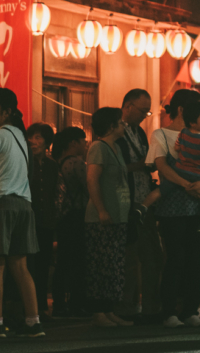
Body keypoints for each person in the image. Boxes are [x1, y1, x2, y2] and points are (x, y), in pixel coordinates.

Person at [0, 88, 44, 338]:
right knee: (20, 266)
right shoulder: (22, 138)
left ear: (7, 112)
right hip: (24, 206)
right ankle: (34, 321)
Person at [148, 88, 200, 328]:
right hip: (172, 207)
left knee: (196, 259)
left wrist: (199, 183)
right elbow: (160, 165)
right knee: (175, 259)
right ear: (182, 110)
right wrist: (186, 184)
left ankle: (191, 309)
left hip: (198, 204)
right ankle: (169, 311)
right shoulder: (161, 135)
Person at [85, 107, 133, 328]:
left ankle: (109, 309)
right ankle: (98, 311)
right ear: (112, 126)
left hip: (119, 213)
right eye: (121, 123)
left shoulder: (116, 148)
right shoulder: (98, 147)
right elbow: (92, 180)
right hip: (101, 216)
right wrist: (101, 209)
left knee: (114, 265)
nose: (124, 126)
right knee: (101, 264)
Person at [117, 89, 163, 321]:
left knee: (150, 254)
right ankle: (130, 304)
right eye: (142, 111)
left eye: (147, 111)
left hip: (145, 199)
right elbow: (115, 166)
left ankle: (148, 305)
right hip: (126, 199)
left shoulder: (140, 133)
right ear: (127, 106)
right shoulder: (115, 132)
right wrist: (141, 166)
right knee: (130, 255)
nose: (145, 116)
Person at [160, 100, 200, 241]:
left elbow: (177, 148)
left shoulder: (183, 133)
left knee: (161, 190)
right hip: (195, 179)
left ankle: (143, 205)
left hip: (182, 172)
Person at [51, 127, 89, 318]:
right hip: (77, 215)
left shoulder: (58, 162)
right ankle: (77, 303)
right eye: (83, 141)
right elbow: (89, 187)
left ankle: (59, 303)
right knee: (78, 261)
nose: (85, 145)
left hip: (63, 217)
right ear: (73, 143)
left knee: (63, 261)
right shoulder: (77, 163)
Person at [26, 122, 58, 315]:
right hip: (29, 219)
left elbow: (55, 193)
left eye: (38, 137)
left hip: (46, 220)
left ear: (47, 142)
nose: (33, 141)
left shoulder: (52, 165)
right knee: (29, 264)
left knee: (44, 263)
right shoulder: (25, 161)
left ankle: (42, 305)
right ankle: (30, 307)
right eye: (31, 137)